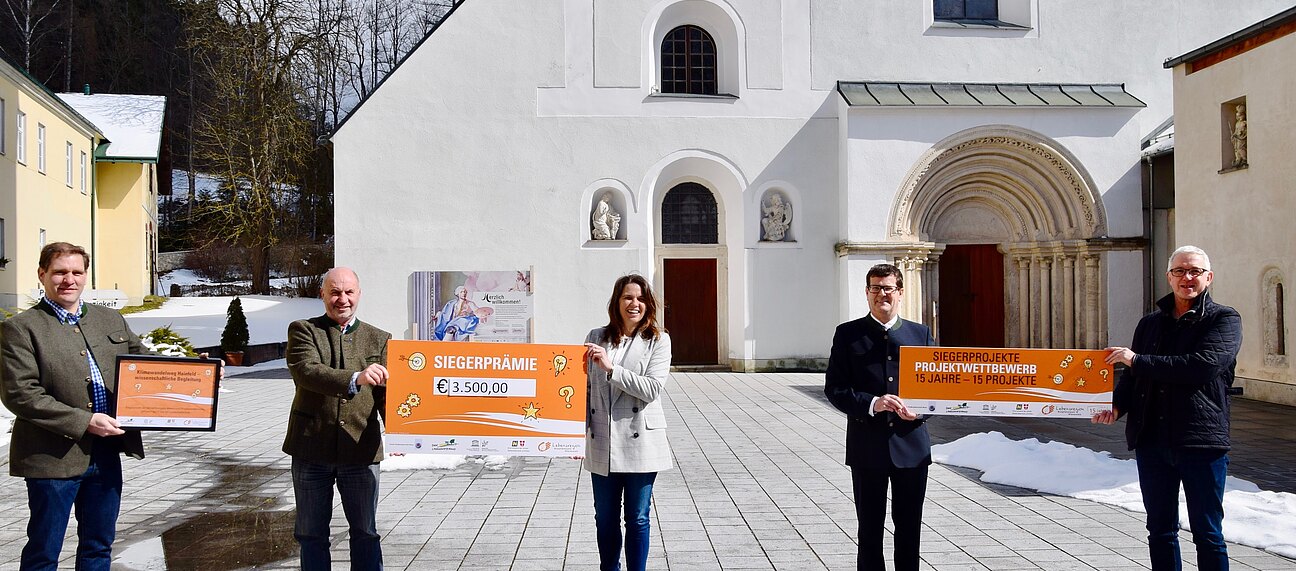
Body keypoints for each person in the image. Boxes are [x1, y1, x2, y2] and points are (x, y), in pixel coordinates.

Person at [1092, 245, 1241, 571]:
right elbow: (1134, 378)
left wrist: (1138, 360)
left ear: (1208, 277)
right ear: (1168, 277)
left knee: (1208, 533)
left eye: (1195, 271)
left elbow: (1202, 366)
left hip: (1201, 442)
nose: (1187, 278)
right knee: (1160, 530)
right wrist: (1116, 407)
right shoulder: (1150, 324)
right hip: (1153, 440)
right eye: (1179, 271)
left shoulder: (1224, 319)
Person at [0, 242, 145, 570]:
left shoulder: (110, 319)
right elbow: (21, 394)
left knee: (99, 546)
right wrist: (85, 421)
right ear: (42, 275)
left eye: (77, 272)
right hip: (51, 458)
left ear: (85, 276)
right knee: (43, 551)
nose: (69, 279)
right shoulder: (21, 329)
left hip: (107, 453)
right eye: (60, 272)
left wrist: (198, 374)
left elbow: (144, 364)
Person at [824, 263, 935, 571]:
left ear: (900, 292)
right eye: (875, 288)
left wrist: (920, 411)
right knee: (869, 530)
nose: (881, 294)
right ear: (867, 293)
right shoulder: (848, 335)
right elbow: (834, 388)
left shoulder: (920, 334)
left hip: (911, 447)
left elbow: (935, 391)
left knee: (910, 529)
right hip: (867, 448)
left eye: (887, 288)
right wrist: (873, 403)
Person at [283, 267, 392, 570]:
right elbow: (307, 372)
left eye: (348, 292)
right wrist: (356, 378)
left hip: (361, 450)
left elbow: (385, 394)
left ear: (358, 295)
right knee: (311, 534)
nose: (341, 299)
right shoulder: (303, 330)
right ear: (322, 294)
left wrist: (403, 430)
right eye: (334, 292)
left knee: (366, 533)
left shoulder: (379, 338)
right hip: (311, 449)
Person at [582, 274, 673, 571]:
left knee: (637, 517)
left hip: (640, 440)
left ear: (648, 304)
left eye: (640, 298)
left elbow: (651, 389)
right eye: (627, 298)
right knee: (604, 517)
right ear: (616, 302)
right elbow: (584, 391)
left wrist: (612, 368)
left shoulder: (658, 340)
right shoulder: (596, 337)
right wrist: (571, 435)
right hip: (602, 439)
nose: (635, 304)